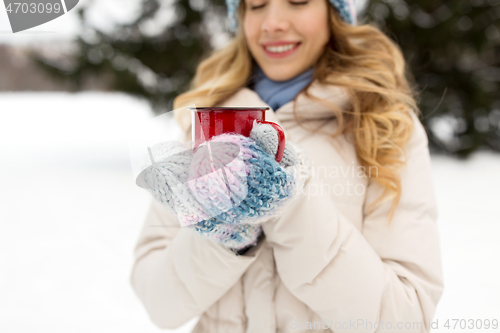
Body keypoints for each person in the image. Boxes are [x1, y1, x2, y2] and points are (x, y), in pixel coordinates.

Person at [129, 0, 444, 331]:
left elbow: (406, 318)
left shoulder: (385, 127)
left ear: (334, 14)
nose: (272, 23)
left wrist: (289, 202)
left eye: (297, 1)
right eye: (256, 5)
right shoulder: (209, 121)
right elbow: (159, 305)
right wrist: (226, 235)